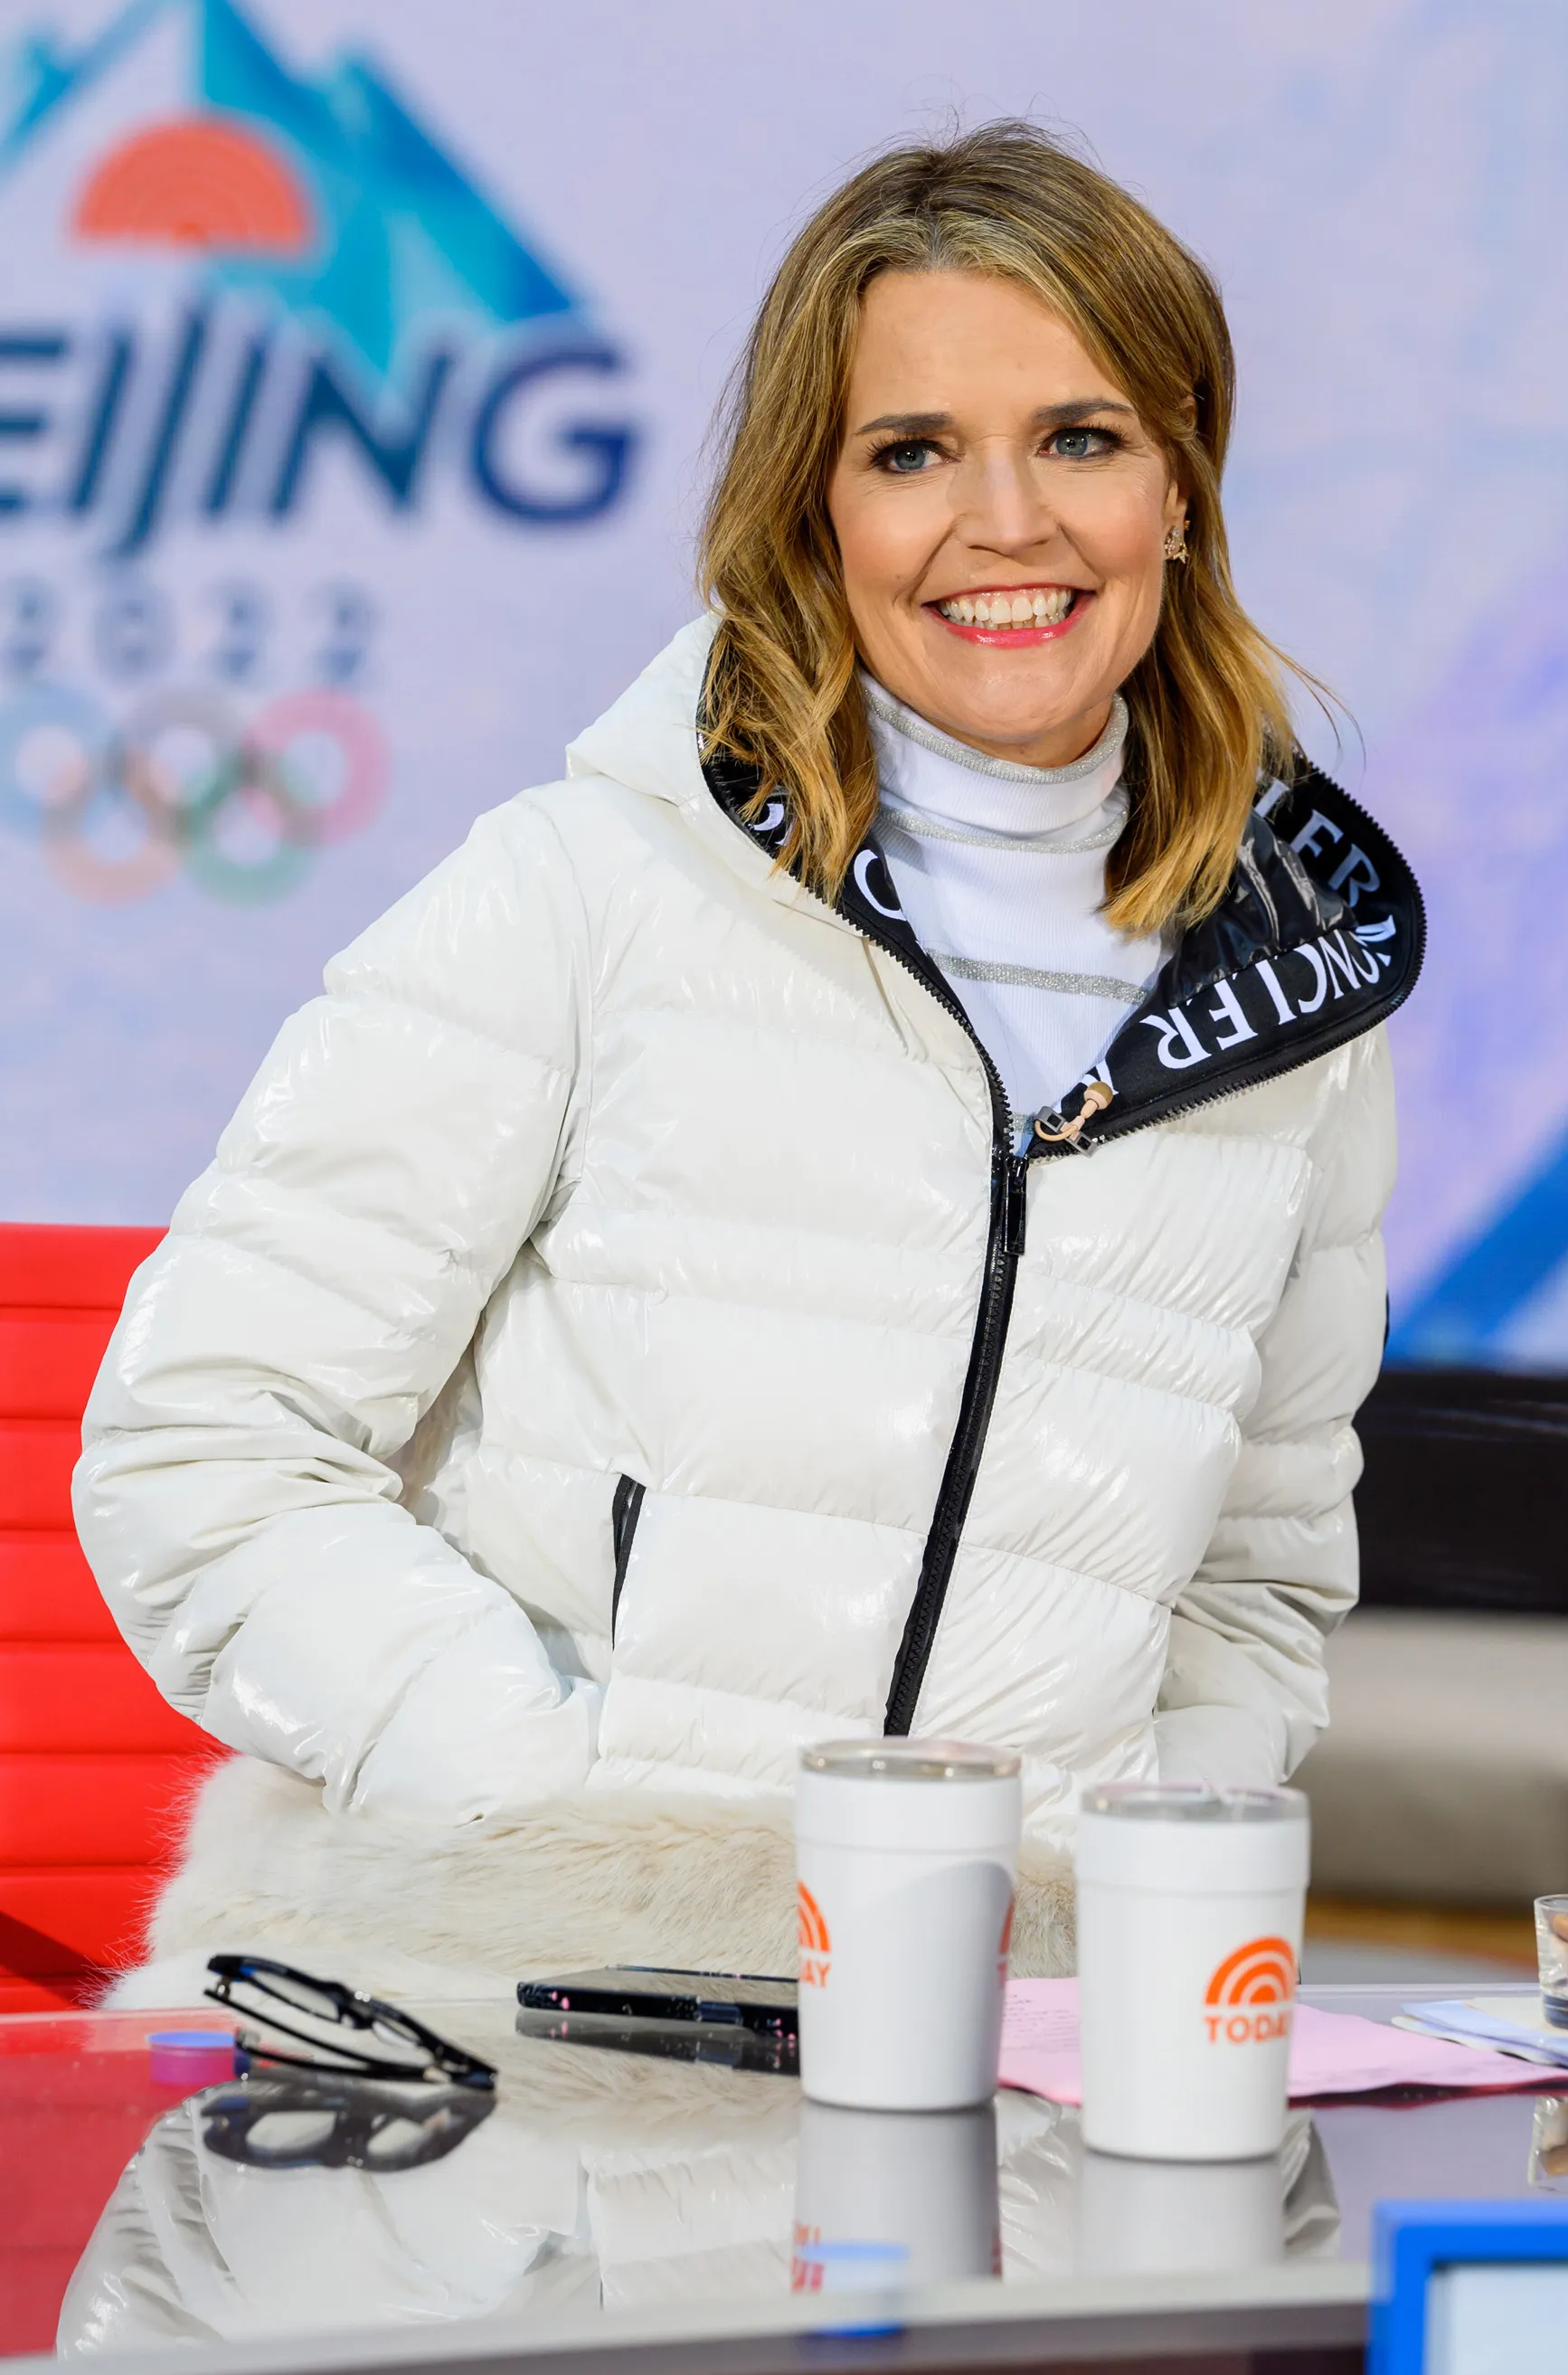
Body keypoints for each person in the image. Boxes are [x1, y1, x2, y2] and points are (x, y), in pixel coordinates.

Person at [75, 122, 1422, 2003]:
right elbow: (206, 1435)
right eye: (910, 453)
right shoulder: (585, 888)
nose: (1007, 523)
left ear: (1180, 496)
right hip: (461, 2008)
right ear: (814, 510)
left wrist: (1107, 1868)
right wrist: (547, 1815)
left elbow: (1253, 1578)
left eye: (1081, 438)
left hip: (988, 2037)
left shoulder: (1292, 1002)